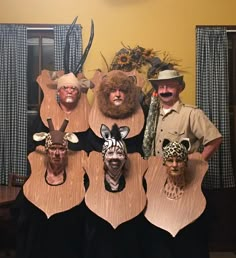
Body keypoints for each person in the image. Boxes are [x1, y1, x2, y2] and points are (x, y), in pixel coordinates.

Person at [142, 69, 222, 258]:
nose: (165, 90)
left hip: (185, 185)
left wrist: (196, 163)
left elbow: (214, 139)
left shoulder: (191, 114)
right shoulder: (152, 116)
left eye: (170, 85)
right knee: (161, 237)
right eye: (161, 86)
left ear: (180, 88)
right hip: (159, 187)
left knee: (187, 237)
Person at [13, 118, 87, 258]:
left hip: (64, 245)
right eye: (53, 148)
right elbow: (21, 215)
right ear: (47, 151)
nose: (57, 153)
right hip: (37, 244)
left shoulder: (75, 182)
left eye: (61, 149)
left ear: (66, 152)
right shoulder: (35, 180)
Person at [83, 123, 148, 258]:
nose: (115, 158)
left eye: (119, 153)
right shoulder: (91, 186)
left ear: (125, 158)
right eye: (110, 153)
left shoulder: (136, 187)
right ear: (104, 156)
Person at [144, 138, 209, 258]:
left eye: (179, 161)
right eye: (170, 160)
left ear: (186, 163)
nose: (174, 165)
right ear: (164, 163)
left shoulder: (196, 193)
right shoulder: (156, 191)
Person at [86, 70, 145, 155]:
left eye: (122, 90)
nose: (118, 94)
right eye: (113, 90)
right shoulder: (94, 116)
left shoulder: (142, 113)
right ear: (106, 94)